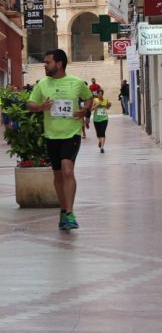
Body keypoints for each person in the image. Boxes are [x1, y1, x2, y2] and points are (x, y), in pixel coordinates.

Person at [27, 49, 92, 231]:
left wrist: (85, 111)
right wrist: (41, 106)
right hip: (51, 135)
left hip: (71, 134)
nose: (44, 65)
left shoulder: (77, 83)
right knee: (57, 175)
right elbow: (30, 104)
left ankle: (70, 213)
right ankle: (63, 210)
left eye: (47, 62)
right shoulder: (42, 85)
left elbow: (89, 98)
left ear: (59, 64)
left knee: (67, 169)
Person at [92, 88, 111, 153]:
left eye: (101, 94)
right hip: (96, 119)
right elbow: (91, 109)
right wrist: (97, 105)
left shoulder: (105, 100)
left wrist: (109, 105)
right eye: (99, 94)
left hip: (104, 119)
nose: (100, 95)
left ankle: (102, 147)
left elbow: (107, 108)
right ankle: (100, 141)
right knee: (98, 133)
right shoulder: (95, 100)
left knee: (102, 133)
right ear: (97, 94)